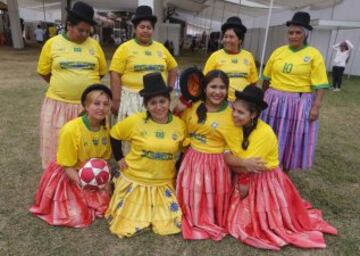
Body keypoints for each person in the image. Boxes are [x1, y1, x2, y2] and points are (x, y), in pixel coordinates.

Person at [225, 85, 337, 250]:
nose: (234, 114)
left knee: (249, 221)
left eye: (240, 112)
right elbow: (228, 158)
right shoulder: (234, 127)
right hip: (243, 175)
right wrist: (240, 163)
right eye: (234, 109)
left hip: (263, 181)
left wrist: (236, 164)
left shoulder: (265, 133)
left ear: (254, 114)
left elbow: (249, 168)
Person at [176, 70, 264, 241]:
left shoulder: (233, 113)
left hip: (218, 163)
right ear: (204, 88)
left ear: (227, 89)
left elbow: (241, 145)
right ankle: (192, 214)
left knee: (213, 193)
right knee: (192, 190)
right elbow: (177, 128)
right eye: (213, 86)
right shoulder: (192, 107)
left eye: (222, 87)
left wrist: (245, 175)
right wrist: (178, 109)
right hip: (193, 160)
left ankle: (211, 217)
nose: (217, 91)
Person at [106, 73, 186, 238]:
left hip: (163, 181)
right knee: (128, 221)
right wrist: (119, 157)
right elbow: (114, 135)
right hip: (137, 179)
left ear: (169, 101)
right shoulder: (135, 121)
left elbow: (184, 151)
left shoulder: (179, 125)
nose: (158, 107)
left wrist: (178, 170)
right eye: (153, 103)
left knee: (170, 222)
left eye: (162, 102)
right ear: (146, 105)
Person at [30, 84, 113, 228]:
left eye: (106, 104)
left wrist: (103, 179)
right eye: (96, 103)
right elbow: (67, 166)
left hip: (92, 173)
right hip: (70, 173)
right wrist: (85, 184)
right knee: (76, 215)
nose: (101, 108)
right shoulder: (71, 129)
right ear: (86, 106)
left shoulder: (106, 129)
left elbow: (103, 160)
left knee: (109, 205)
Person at [37, 1, 107, 169]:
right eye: (81, 30)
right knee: (57, 146)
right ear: (69, 25)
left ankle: (85, 183)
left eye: (88, 31)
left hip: (87, 108)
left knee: (86, 148)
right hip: (58, 105)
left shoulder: (94, 46)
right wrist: (64, 86)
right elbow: (44, 72)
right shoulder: (52, 44)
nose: (85, 34)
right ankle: (56, 185)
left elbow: (101, 72)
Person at [261, 12, 329, 172]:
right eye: (291, 32)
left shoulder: (313, 54)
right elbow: (266, 78)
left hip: (297, 103)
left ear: (305, 34)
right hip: (273, 101)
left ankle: (284, 172)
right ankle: (266, 169)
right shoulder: (278, 52)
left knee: (291, 138)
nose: (293, 36)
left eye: (298, 32)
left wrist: (316, 107)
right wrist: (262, 99)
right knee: (269, 134)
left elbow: (320, 85)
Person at [109, 5, 178, 125]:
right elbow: (115, 74)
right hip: (131, 99)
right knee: (132, 135)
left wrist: (169, 90)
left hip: (157, 100)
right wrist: (116, 99)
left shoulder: (161, 48)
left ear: (153, 30)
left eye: (149, 27)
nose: (145, 30)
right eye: (142, 27)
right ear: (135, 29)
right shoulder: (124, 48)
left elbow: (173, 68)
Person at [203, 16, 258, 102]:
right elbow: (205, 80)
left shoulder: (248, 56)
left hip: (242, 103)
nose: (227, 40)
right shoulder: (215, 56)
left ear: (240, 40)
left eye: (231, 37)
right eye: (225, 36)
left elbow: (253, 82)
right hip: (221, 102)